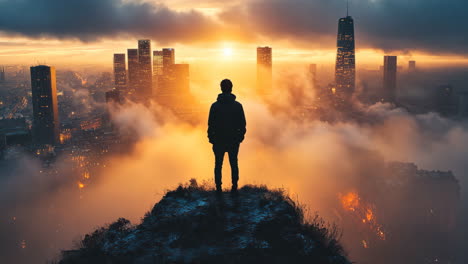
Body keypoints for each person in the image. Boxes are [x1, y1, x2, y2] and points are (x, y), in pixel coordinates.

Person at [208, 79, 246, 194]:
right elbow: (242, 124)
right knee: (234, 163)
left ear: (221, 88)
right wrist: (240, 137)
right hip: (233, 140)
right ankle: (234, 187)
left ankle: (218, 188)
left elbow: (211, 124)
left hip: (218, 140)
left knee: (218, 164)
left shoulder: (215, 106)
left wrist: (212, 139)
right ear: (231, 88)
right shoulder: (238, 106)